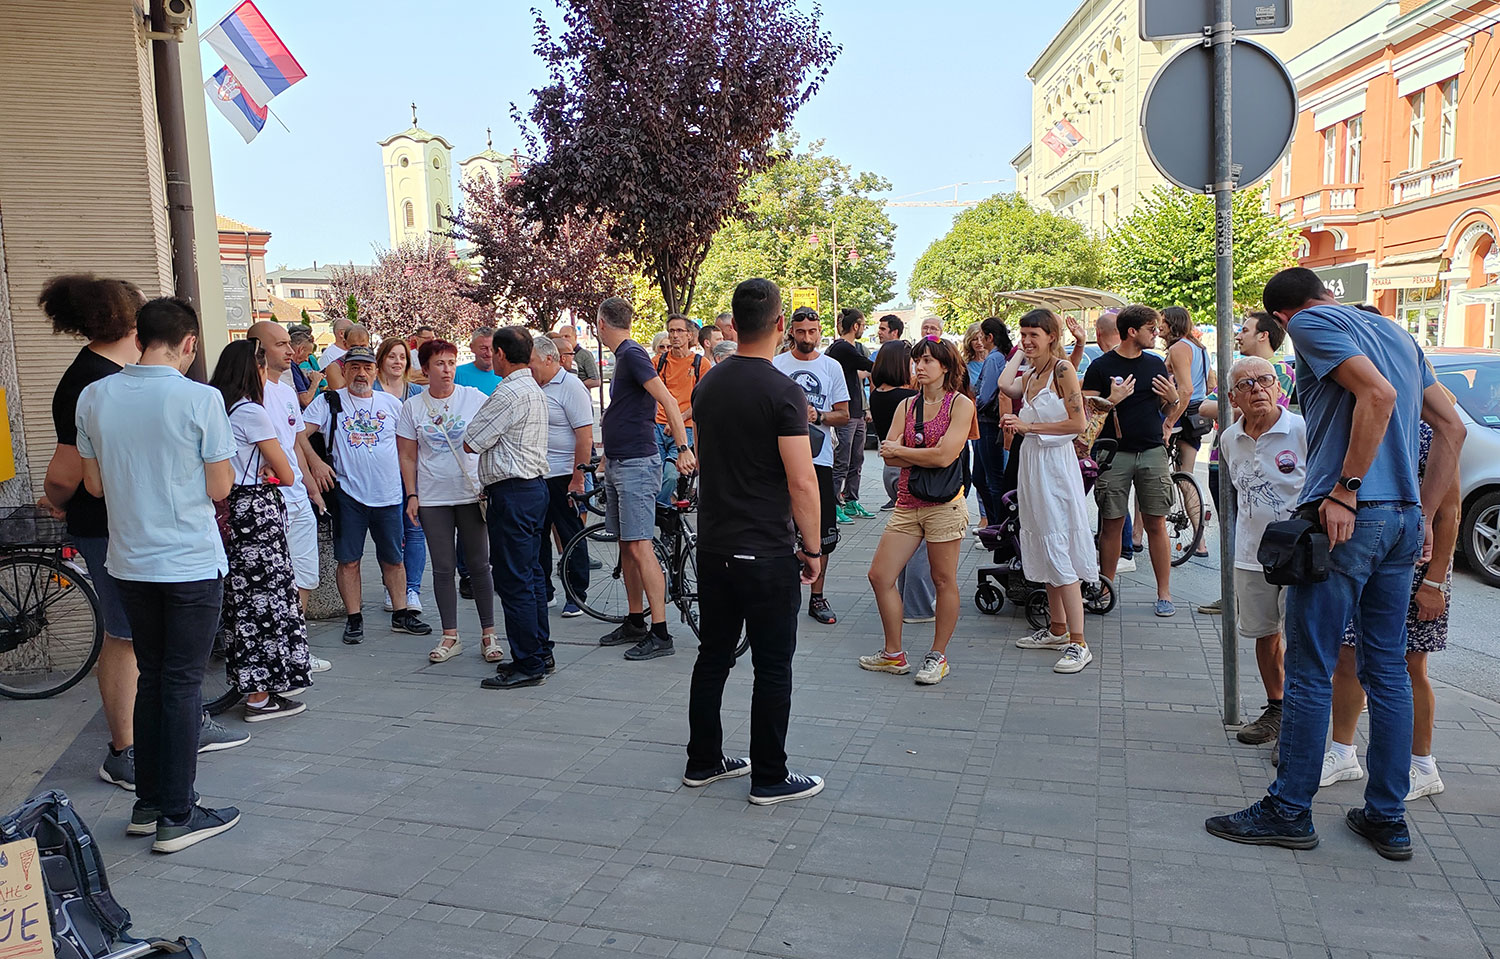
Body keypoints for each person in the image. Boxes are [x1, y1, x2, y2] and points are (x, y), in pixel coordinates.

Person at [1206, 267, 1465, 862]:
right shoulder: (1398, 333)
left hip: (1352, 519)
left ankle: (1289, 809)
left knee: (1311, 666)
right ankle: (1386, 817)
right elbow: (1450, 426)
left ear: (1283, 318)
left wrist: (1346, 489)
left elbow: (1378, 394)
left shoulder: (1316, 323)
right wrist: (1422, 513)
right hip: (1399, 523)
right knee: (1388, 671)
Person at [75, 297, 240, 853]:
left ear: (140, 337)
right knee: (180, 683)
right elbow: (221, 487)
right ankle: (176, 813)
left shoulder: (94, 396)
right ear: (190, 343)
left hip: (129, 561)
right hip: (190, 561)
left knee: (153, 678)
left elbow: (94, 487)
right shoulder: (201, 398)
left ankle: (148, 803)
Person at [685, 278, 826, 805]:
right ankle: (769, 775)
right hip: (765, 549)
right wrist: (811, 550)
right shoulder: (782, 391)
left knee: (713, 655)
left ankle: (703, 760)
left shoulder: (708, 385)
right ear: (780, 326)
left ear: (735, 324)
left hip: (715, 544)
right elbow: (802, 480)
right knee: (772, 665)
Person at [39, 275, 145, 790]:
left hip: (122, 524)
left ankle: (170, 729)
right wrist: (56, 501)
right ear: (128, 319)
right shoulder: (89, 380)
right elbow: (63, 473)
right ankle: (122, 750)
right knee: (123, 634)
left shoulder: (108, 372)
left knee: (137, 633)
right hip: (102, 526)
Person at [1324, 416, 1459, 801]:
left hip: (1416, 567)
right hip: (1363, 557)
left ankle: (1422, 764)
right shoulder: (1360, 424)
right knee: (1346, 657)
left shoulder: (1432, 432)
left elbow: (1450, 511)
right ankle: (1342, 752)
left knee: (1410, 664)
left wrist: (1434, 583)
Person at [859, 337, 974, 685]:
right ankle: (894, 653)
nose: (920, 367)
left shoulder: (961, 405)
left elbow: (945, 456)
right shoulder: (906, 407)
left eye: (928, 361)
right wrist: (918, 452)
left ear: (946, 366)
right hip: (907, 504)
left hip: (944, 504)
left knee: (943, 580)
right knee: (880, 575)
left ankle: (937, 656)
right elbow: (887, 453)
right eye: (917, 360)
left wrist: (907, 450)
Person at [207, 340, 311, 722]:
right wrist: (270, 473)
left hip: (231, 509)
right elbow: (285, 471)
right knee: (266, 602)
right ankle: (260, 696)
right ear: (255, 370)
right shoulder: (252, 411)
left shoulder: (220, 408)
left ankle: (252, 688)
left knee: (243, 602)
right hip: (258, 513)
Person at [304, 345, 431, 645]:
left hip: (389, 494)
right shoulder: (328, 401)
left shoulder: (392, 404)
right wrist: (316, 463)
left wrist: (414, 489)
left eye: (367, 367)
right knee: (349, 561)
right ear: (344, 370)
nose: (361, 373)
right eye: (355, 367)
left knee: (394, 559)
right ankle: (354, 619)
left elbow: (409, 446)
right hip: (349, 495)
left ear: (375, 371)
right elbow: (297, 435)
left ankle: (401, 615)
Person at [594, 297, 696, 660]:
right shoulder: (625, 356)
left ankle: (661, 632)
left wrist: (683, 447)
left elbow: (667, 400)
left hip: (638, 463)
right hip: (622, 461)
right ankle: (636, 619)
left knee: (640, 545)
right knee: (626, 544)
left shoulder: (634, 355)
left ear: (601, 323)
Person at [999, 310, 1098, 674]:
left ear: (1052, 336)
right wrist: (1020, 354)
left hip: (1055, 468)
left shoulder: (1061, 370)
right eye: (1022, 334)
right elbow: (1003, 385)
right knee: (1042, 540)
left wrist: (1028, 425)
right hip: (1034, 465)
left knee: (1060, 545)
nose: (1026, 340)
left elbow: (1077, 423)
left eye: (1033, 334)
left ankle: (1078, 640)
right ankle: (1057, 629)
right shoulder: (1031, 375)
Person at [1217, 356, 1305, 747]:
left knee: (1302, 637)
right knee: (1263, 634)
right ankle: (1277, 709)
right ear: (1233, 397)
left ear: (1279, 387)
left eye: (1265, 380)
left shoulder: (1301, 430)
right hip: (1251, 553)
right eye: (1246, 384)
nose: (1257, 389)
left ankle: (1301, 727)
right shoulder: (1228, 439)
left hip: (1301, 555)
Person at [396, 339, 498, 664]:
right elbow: (407, 456)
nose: (447, 370)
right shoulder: (412, 407)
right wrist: (412, 494)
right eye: (440, 364)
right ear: (425, 369)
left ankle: (489, 633)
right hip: (433, 496)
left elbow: (493, 437)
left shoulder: (473, 398)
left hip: (470, 492)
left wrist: (488, 481)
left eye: (452, 363)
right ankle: (450, 635)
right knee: (443, 568)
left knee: (480, 565)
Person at [463, 327, 554, 688]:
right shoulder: (531, 387)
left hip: (513, 492)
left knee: (515, 580)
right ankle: (539, 650)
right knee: (530, 575)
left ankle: (528, 662)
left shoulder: (510, 392)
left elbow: (473, 440)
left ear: (501, 354)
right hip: (532, 490)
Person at [1080, 305, 1183, 617]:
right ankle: (1104, 588)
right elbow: (1085, 417)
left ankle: (1164, 593)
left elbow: (1167, 411)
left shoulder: (1154, 365)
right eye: (1152, 329)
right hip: (1113, 453)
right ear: (1132, 332)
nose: (1157, 334)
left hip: (1152, 451)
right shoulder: (1101, 366)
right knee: (1111, 523)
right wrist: (1112, 400)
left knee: (1156, 523)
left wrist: (1173, 399)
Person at [245, 321, 334, 672]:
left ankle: (296, 648)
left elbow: (297, 441)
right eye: (280, 344)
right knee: (277, 579)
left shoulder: (284, 390)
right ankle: (278, 652)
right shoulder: (249, 395)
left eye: (288, 343)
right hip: (269, 499)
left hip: (297, 494)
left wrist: (311, 484)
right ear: (259, 349)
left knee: (305, 574)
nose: (290, 350)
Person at [1199, 312, 1293, 614]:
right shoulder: (1235, 371)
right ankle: (1234, 593)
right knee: (1235, 532)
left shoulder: (1280, 371)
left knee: (1260, 529)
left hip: (1265, 463)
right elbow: (1205, 406)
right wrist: (1239, 406)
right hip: (1223, 461)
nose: (1239, 335)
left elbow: (1268, 412)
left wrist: (1238, 405)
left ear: (1264, 335)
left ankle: (1251, 596)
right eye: (1245, 386)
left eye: (1246, 330)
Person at [773, 308, 850, 626]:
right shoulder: (777, 365)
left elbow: (844, 415)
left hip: (818, 459)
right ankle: (782, 594)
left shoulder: (831, 366)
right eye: (801, 331)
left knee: (821, 532)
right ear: (791, 331)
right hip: (778, 460)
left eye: (813, 331)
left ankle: (817, 597)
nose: (807, 337)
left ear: (821, 332)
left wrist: (817, 416)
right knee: (780, 529)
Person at [867, 341, 936, 623]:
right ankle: (917, 605)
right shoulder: (907, 398)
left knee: (909, 537)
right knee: (920, 542)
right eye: (913, 361)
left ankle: (910, 599)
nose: (917, 367)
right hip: (908, 467)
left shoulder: (878, 394)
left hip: (890, 468)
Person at [531, 333, 594, 618]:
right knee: (537, 535)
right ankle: (543, 590)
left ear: (549, 358)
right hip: (535, 473)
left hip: (563, 474)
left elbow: (584, 437)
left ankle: (575, 593)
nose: (528, 367)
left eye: (531, 361)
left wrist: (577, 477)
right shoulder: (532, 385)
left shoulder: (571, 386)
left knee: (569, 533)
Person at [374, 338, 427, 613]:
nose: (397, 362)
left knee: (415, 530)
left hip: (414, 472)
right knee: (390, 533)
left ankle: (412, 590)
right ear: (381, 359)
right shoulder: (369, 390)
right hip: (380, 475)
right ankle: (391, 586)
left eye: (402, 358)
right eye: (392, 356)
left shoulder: (416, 392)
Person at [826, 308, 875, 522]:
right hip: (843, 411)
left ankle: (851, 499)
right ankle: (834, 503)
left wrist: (866, 409)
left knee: (857, 458)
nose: (863, 329)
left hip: (856, 410)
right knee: (842, 459)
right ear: (855, 326)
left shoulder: (854, 348)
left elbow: (863, 372)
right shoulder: (841, 348)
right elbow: (869, 366)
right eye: (863, 325)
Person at [653, 314, 707, 506]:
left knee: (669, 476)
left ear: (690, 335)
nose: (674, 335)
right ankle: (665, 516)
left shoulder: (701, 364)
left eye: (679, 331)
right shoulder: (658, 362)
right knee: (654, 476)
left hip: (686, 428)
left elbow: (703, 400)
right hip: (657, 426)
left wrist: (679, 418)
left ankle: (661, 515)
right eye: (671, 331)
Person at [972, 317, 1014, 524]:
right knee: (980, 477)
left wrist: (971, 405)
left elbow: (987, 394)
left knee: (992, 478)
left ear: (990, 337)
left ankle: (999, 525)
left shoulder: (994, 358)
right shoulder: (1000, 356)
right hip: (986, 422)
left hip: (988, 422)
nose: (980, 341)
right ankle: (993, 521)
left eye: (982, 336)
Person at [963, 322, 991, 526]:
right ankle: (984, 515)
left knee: (993, 471)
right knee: (980, 470)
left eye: (982, 338)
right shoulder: (966, 366)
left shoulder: (998, 360)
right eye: (974, 338)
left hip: (993, 420)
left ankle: (993, 515)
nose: (979, 343)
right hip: (974, 419)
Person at [322, 325, 371, 392]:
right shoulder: (334, 367)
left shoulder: (374, 364)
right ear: (345, 344)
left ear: (368, 344)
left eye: (363, 346)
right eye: (354, 346)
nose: (359, 350)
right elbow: (340, 394)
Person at [553, 324, 602, 389]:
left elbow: (596, 381)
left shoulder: (585, 354)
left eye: (567, 336)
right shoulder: (556, 354)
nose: (563, 339)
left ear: (575, 337)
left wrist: (574, 384)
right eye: (561, 337)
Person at [455, 327, 501, 394]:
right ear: (472, 347)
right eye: (483, 348)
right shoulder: (456, 374)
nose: (489, 354)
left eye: (492, 348)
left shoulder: (504, 375)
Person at [289, 326, 325, 407]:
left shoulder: (293, 366)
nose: (306, 359)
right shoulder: (292, 367)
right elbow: (305, 401)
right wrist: (315, 381)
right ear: (301, 349)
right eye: (308, 354)